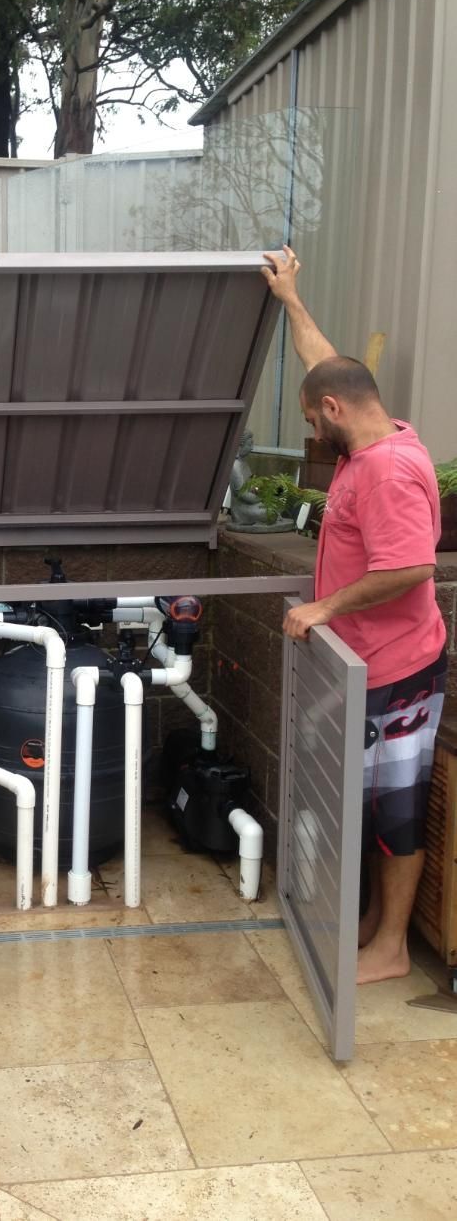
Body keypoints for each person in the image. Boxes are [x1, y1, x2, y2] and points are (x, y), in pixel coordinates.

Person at [261, 244, 447, 985]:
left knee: (395, 808)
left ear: (336, 411)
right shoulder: (364, 437)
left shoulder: (387, 473)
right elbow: (327, 364)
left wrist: (325, 606)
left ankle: (392, 946)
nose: (313, 433)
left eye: (314, 420)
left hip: (399, 669)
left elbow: (411, 567)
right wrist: (290, 298)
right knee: (365, 803)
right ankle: (370, 923)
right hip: (367, 662)